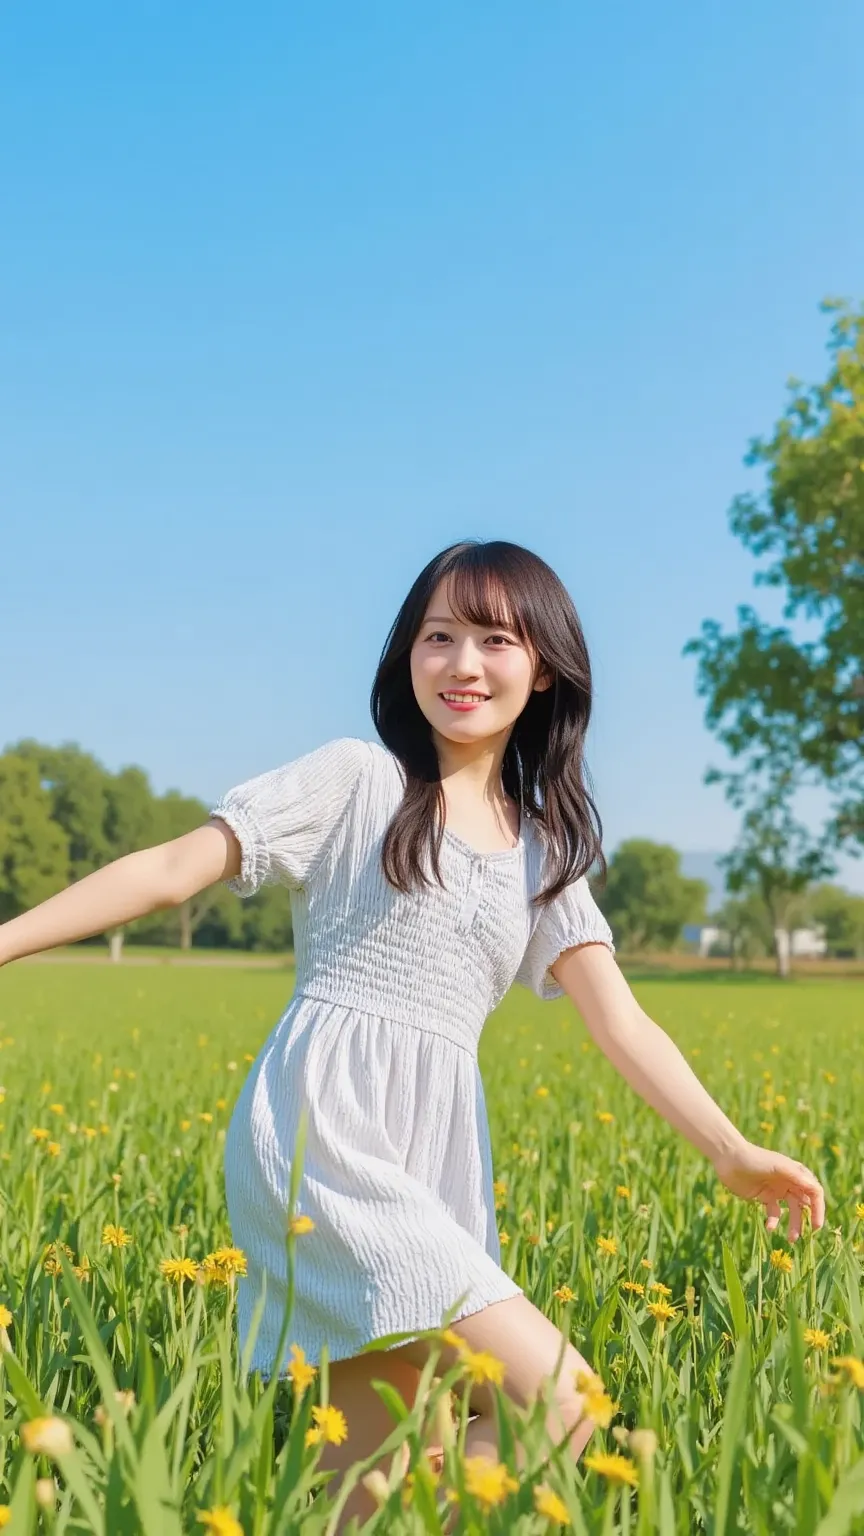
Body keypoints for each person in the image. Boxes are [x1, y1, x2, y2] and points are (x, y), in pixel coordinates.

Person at [0, 538, 825, 1526]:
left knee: (371, 1481)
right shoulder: (355, 783)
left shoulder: (546, 853)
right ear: (406, 658)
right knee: (562, 1402)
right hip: (326, 1135)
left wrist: (729, 1150)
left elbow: (624, 1023)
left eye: (493, 639)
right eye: (439, 637)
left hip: (435, 1153)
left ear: (545, 667)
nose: (463, 664)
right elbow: (176, 867)